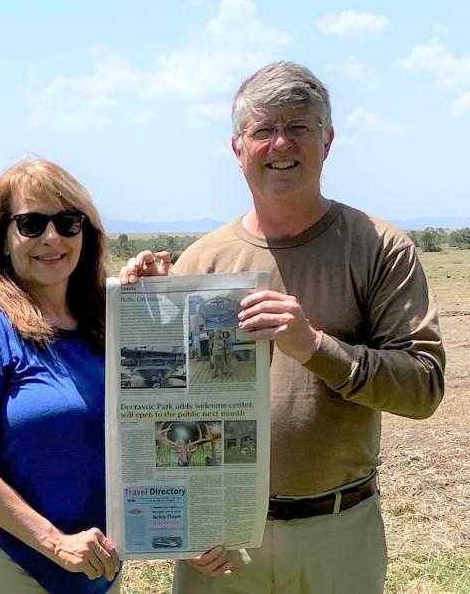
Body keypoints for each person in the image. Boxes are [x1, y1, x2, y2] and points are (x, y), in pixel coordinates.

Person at [120, 61, 445, 594]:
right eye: (263, 129)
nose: (280, 144)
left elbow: (424, 388)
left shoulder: (379, 248)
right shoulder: (200, 260)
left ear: (328, 140)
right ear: (237, 147)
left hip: (337, 530)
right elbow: (161, 412)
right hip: (221, 542)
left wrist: (314, 346)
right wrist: (146, 306)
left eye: (298, 126)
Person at [0, 158, 122, 593]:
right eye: (31, 223)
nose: (52, 238)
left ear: (86, 233)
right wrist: (56, 544)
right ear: (4, 239)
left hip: (99, 562)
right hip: (13, 562)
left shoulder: (106, 322)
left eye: (67, 222)